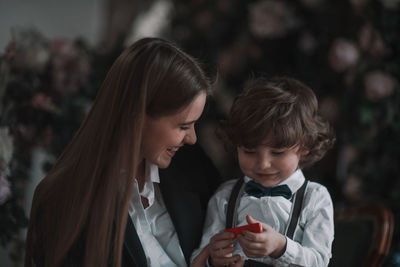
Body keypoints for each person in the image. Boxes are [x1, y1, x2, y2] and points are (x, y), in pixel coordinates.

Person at [25, 37, 226, 267]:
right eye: (182, 126)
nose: (192, 138)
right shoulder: (62, 202)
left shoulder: (193, 167)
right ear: (138, 115)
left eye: (193, 125)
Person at [191, 77, 336, 267]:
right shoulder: (225, 196)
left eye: (277, 153)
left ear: (304, 147)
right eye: (250, 152)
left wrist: (281, 247)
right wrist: (212, 258)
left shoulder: (315, 198)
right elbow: (198, 256)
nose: (263, 164)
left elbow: (319, 260)